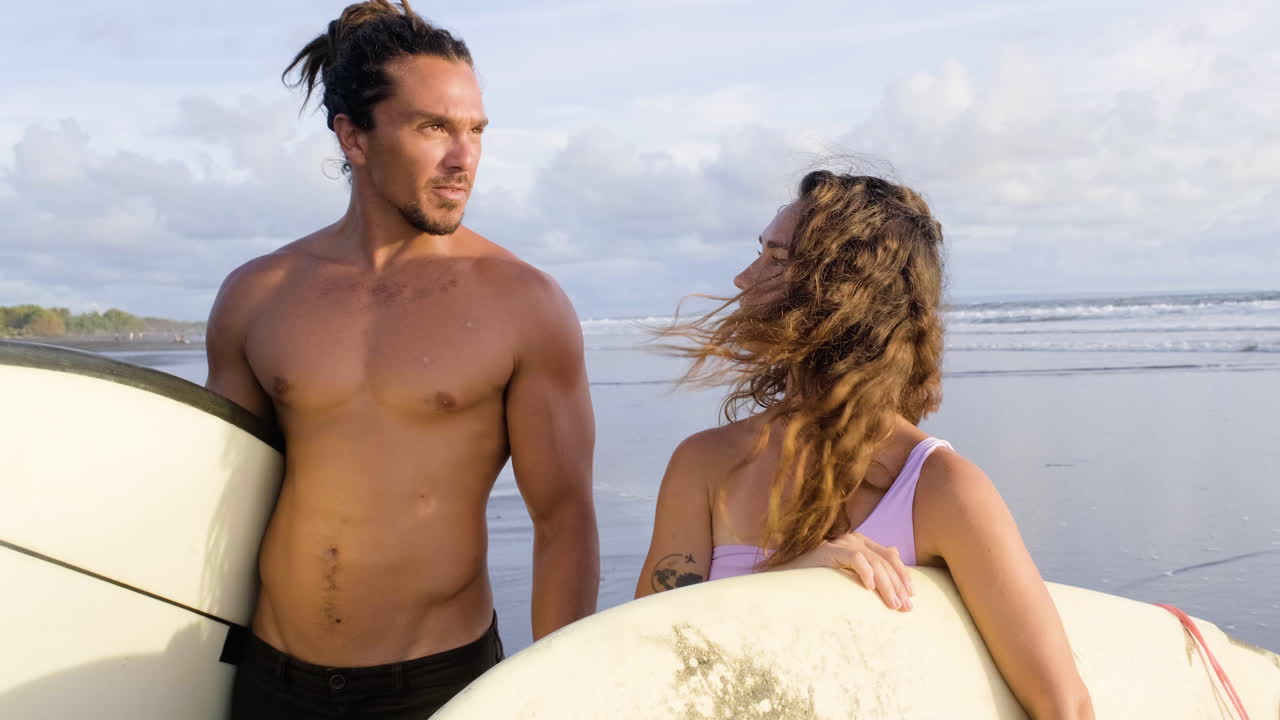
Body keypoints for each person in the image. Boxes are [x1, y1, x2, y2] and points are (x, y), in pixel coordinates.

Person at [204, 2, 599, 717]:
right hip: (270, 680)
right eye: (433, 128)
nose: (464, 158)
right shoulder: (258, 295)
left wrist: (561, 696)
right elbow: (220, 508)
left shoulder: (523, 303)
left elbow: (564, 522)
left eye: (476, 131)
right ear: (353, 137)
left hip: (437, 687)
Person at [635, 170, 1094, 718]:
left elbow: (1063, 707)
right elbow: (646, 660)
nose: (742, 278)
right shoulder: (705, 464)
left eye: (777, 260)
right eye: (758, 253)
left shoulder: (938, 489)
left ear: (845, 294)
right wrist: (786, 577)